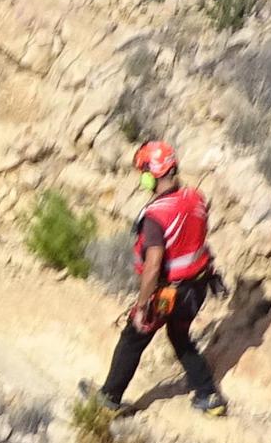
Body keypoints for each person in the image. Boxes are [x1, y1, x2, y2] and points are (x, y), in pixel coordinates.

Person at [84, 141, 228, 417]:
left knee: (133, 337)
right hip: (197, 288)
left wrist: (141, 306)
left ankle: (109, 399)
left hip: (168, 294)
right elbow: (195, 240)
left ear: (151, 173)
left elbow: (152, 267)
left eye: (143, 171)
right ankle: (209, 396)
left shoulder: (155, 217)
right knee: (180, 335)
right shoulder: (195, 198)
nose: (141, 177)